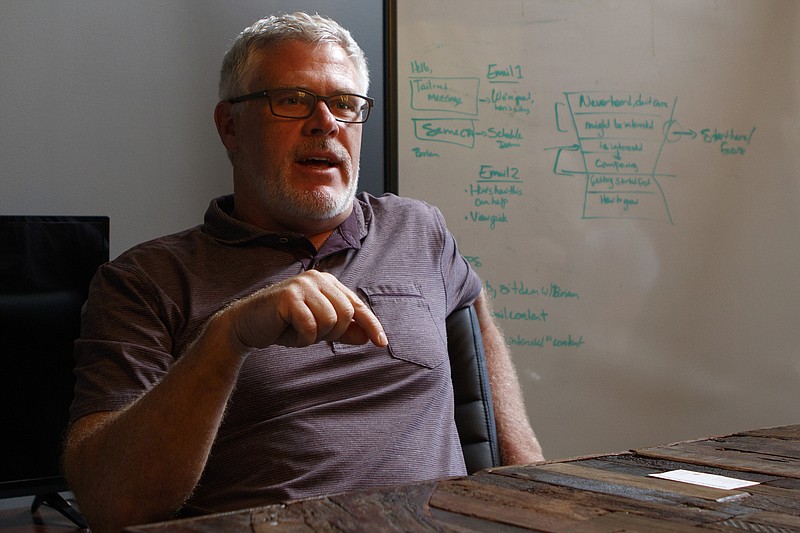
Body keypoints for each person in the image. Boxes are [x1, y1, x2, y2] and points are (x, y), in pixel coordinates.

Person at [63, 12, 543, 533]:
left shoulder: (417, 228)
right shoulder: (144, 280)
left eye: (344, 104)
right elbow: (111, 505)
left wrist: (534, 490)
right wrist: (227, 338)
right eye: (291, 100)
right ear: (230, 126)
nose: (325, 123)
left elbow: (474, 318)